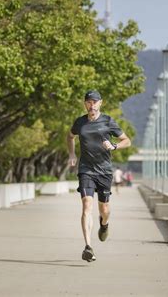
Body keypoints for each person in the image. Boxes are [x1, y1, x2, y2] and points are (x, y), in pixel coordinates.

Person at [67, 90, 131, 262]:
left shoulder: (108, 121)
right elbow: (70, 136)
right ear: (85, 104)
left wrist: (114, 146)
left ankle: (104, 224)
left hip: (104, 171)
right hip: (86, 169)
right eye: (88, 102)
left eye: (95, 102)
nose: (92, 105)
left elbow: (127, 140)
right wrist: (72, 154)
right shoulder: (80, 122)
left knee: (104, 210)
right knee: (86, 205)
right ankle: (88, 246)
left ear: (100, 103)